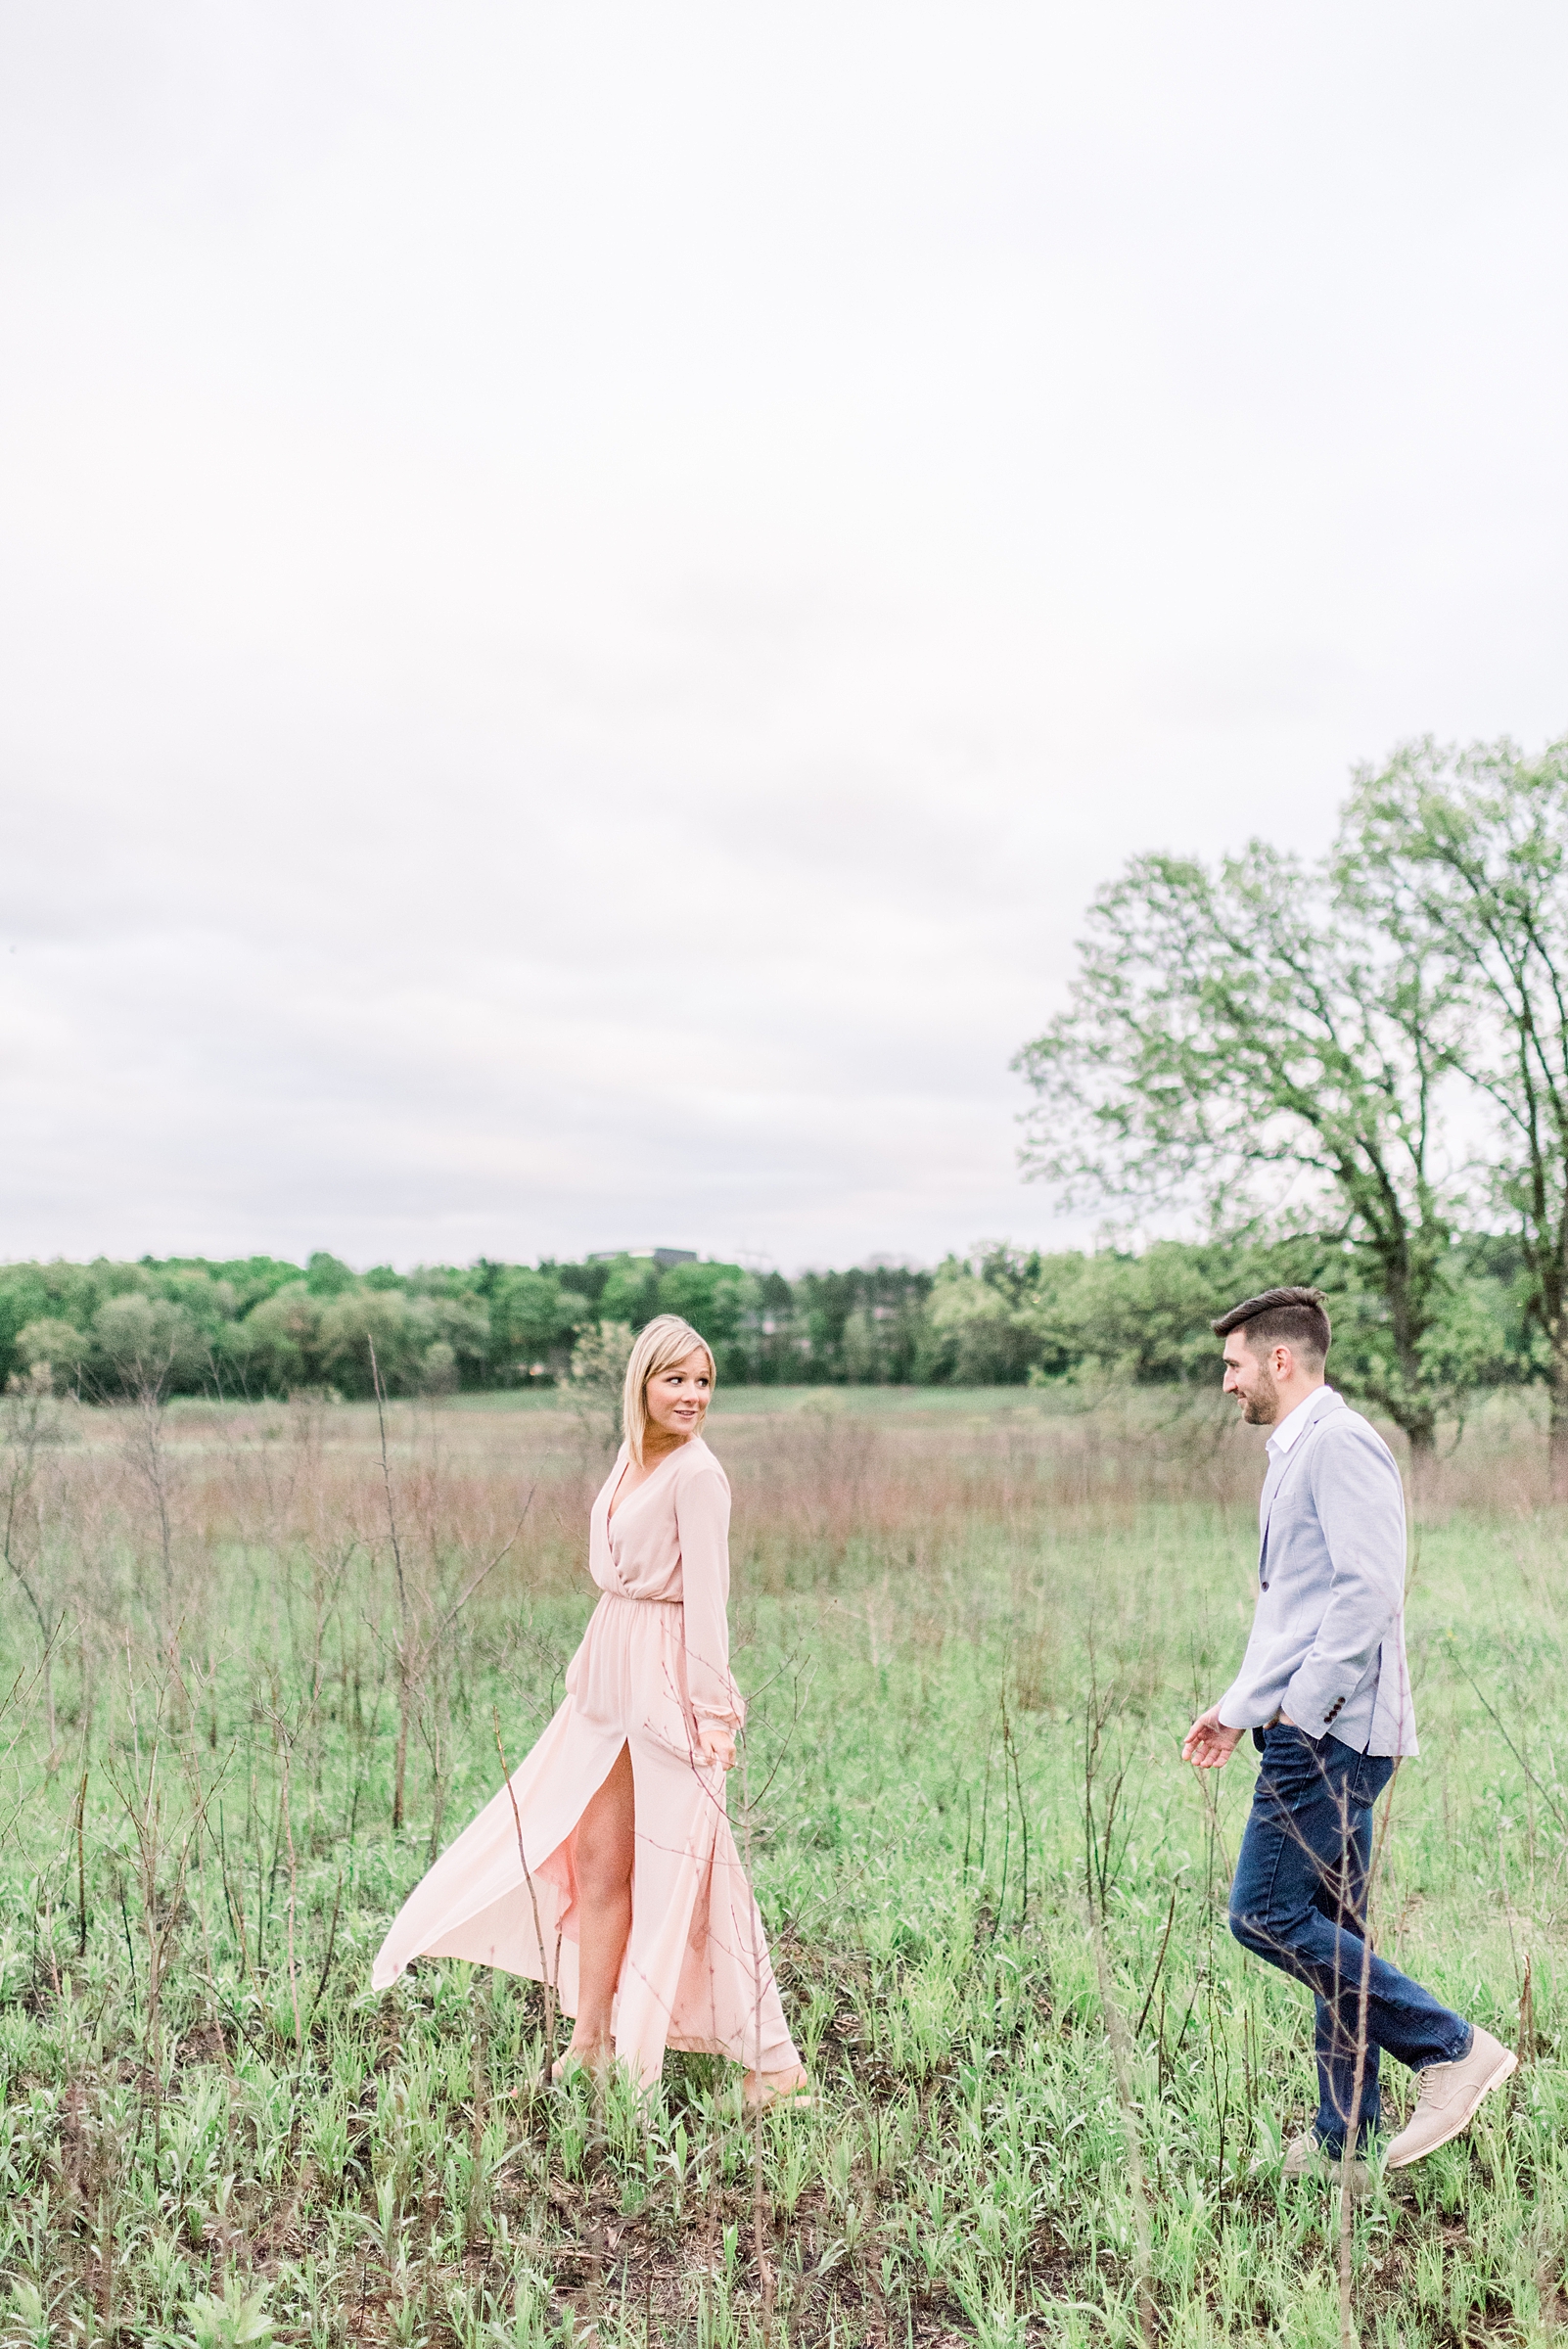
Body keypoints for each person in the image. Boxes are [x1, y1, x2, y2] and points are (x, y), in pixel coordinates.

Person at [372, 1313, 807, 2106]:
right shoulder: (633, 1460)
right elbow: (614, 1579)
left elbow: (708, 1601)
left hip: (667, 1685)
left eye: (704, 1381)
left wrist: (712, 1710)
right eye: (676, 1379)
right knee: (596, 1863)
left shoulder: (699, 1475)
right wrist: (588, 1667)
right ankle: (592, 2043)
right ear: (641, 1383)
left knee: (694, 1871)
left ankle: (774, 2066)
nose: (693, 1396)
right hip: (607, 1684)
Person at [1182, 1286, 1515, 2180]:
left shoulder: (1340, 1444)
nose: (1228, 1383)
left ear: (1280, 1361)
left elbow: (1369, 1591)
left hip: (1332, 1733)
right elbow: (1299, 1605)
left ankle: (1450, 2048)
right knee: (1335, 1924)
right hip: (1308, 1723)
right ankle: (1346, 2141)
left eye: (1234, 1364)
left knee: (1266, 1912)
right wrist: (1241, 1705)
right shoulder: (1298, 1449)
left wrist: (1301, 1710)